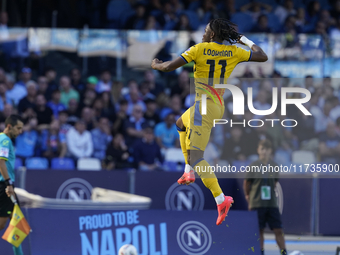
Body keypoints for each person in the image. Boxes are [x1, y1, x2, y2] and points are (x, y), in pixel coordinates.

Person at [151, 18, 268, 225]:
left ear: (212, 34)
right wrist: (242, 39)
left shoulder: (199, 49)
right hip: (215, 106)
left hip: (202, 108)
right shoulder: (234, 51)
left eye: (205, 30)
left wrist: (156, 65)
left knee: (198, 158)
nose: (203, 34)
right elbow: (262, 56)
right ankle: (188, 173)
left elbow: (169, 67)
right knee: (180, 124)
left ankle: (221, 199)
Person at [243, 140, 287, 255]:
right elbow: (247, 183)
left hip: (271, 203)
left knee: (278, 229)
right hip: (257, 202)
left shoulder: (274, 166)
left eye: (267, 149)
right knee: (259, 230)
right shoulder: (253, 166)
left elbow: (275, 183)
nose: (264, 152)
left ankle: (283, 252)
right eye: (262, 149)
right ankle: (260, 252)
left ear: (270, 151)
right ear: (258, 150)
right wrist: (248, 196)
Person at [0, 115, 24, 255]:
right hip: (4, 185)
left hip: (7, 185)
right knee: (3, 224)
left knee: (17, 224)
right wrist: (9, 184)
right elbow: (1, 162)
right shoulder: (4, 140)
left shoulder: (3, 139)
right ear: (9, 126)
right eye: (18, 128)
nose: (20, 131)